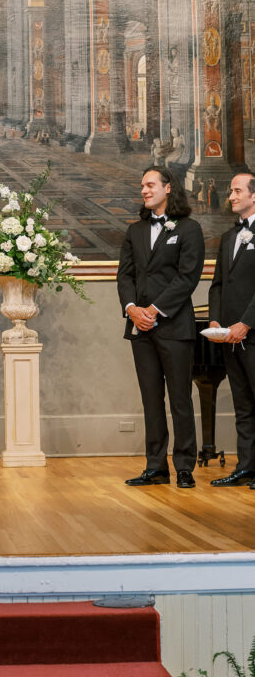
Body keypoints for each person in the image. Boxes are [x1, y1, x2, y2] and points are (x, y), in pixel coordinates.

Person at [117, 166, 204, 489]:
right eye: (142, 185)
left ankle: (184, 466)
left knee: (180, 399)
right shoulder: (134, 231)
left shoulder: (189, 229)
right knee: (151, 399)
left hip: (175, 327)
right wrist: (132, 310)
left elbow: (187, 277)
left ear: (168, 188)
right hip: (141, 329)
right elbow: (125, 275)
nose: (144, 190)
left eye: (150, 185)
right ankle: (156, 466)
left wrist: (154, 310)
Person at [208, 172, 255, 488]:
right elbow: (218, 285)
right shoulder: (228, 238)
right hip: (229, 336)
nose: (231, 195)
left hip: (252, 333)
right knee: (243, 405)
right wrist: (215, 321)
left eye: (237, 190)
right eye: (231, 190)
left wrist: (247, 323)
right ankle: (246, 467)